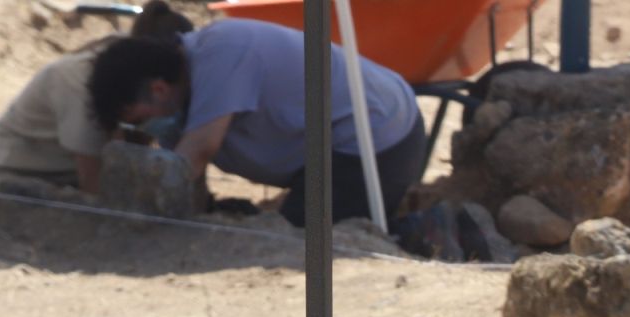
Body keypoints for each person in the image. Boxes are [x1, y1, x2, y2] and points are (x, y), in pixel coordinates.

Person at [88, 18, 425, 226]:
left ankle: (427, 230)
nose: (147, 133)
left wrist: (137, 219)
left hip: (375, 140)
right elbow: (190, 181)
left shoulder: (223, 51)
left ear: (158, 89)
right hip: (328, 153)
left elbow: (195, 154)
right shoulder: (178, 99)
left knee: (305, 239)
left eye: (140, 121)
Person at [0, 2, 192, 194]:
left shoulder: (136, 68)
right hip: (5, 177)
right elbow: (93, 184)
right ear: (157, 86)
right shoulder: (81, 84)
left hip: (63, 176)